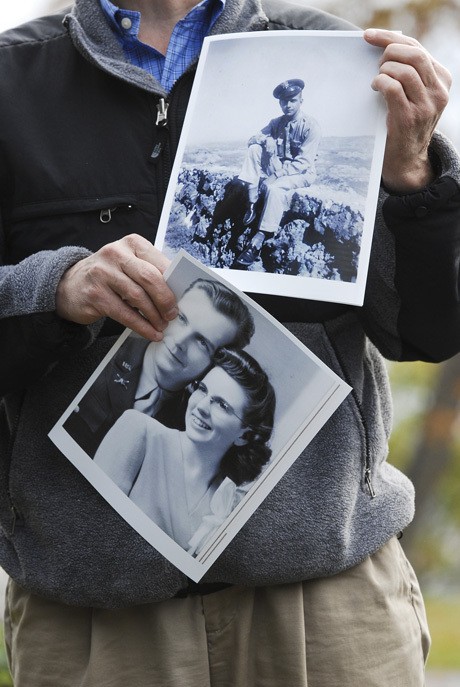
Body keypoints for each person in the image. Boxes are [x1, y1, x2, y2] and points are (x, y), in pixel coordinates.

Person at [1, 0, 460, 685]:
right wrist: (54, 287)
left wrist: (414, 176)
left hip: (328, 602)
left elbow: (428, 328)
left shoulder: (342, 56)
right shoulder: (13, 80)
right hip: (96, 619)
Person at [93, 348, 275, 554]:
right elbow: (91, 520)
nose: (201, 407)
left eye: (222, 405)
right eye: (202, 389)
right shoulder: (138, 430)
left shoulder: (225, 504)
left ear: (244, 436)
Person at [64, 277, 255, 456]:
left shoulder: (191, 424)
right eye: (181, 319)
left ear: (214, 364)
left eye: (202, 342)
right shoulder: (104, 348)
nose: (180, 340)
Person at [236, 78, 321, 267]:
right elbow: (252, 140)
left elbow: (304, 163)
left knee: (274, 189)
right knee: (255, 150)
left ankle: (258, 239)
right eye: (284, 101)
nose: (288, 105)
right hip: (279, 169)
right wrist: (265, 139)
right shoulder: (276, 123)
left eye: (292, 100)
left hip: (301, 173)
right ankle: (252, 202)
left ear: (301, 101)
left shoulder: (310, 126)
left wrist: (276, 175)